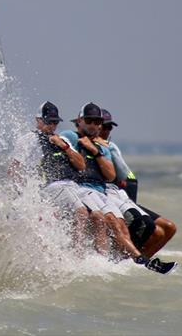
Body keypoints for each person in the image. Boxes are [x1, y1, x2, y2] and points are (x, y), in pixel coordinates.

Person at [9, 101, 108, 252]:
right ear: (38, 120)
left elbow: (81, 165)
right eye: (49, 122)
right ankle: (77, 254)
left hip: (72, 186)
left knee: (99, 216)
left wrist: (64, 146)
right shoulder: (27, 140)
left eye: (55, 122)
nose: (52, 126)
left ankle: (101, 258)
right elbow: (13, 170)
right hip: (51, 186)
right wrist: (23, 194)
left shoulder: (63, 140)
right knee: (80, 211)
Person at [59, 102, 143, 259]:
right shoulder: (71, 136)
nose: (93, 125)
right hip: (79, 189)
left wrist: (95, 151)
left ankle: (122, 263)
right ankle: (109, 260)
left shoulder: (101, 147)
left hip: (100, 192)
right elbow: (59, 141)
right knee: (104, 219)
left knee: (123, 226)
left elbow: (111, 176)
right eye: (89, 121)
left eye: (97, 122)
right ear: (79, 121)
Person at [100, 108, 177, 266]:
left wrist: (128, 194)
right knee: (153, 230)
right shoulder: (84, 144)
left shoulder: (110, 147)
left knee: (169, 228)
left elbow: (129, 177)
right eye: (104, 126)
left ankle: (135, 265)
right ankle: (131, 261)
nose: (107, 131)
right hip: (103, 198)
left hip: (122, 197)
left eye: (109, 127)